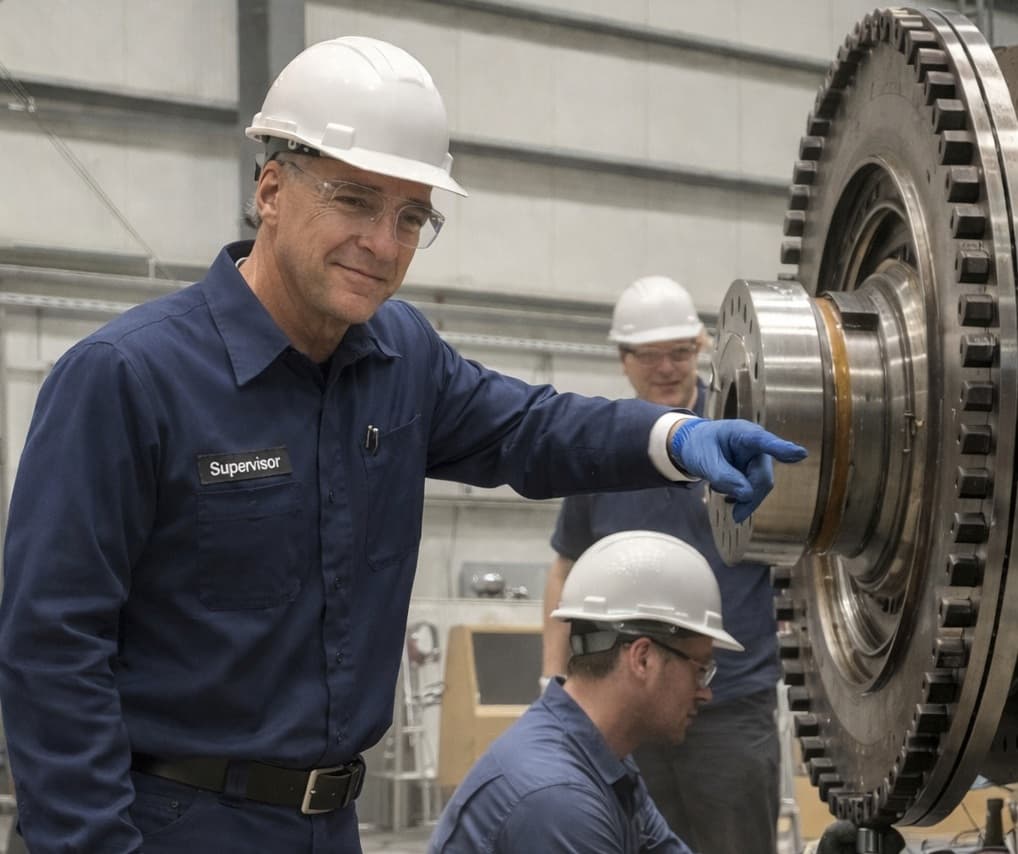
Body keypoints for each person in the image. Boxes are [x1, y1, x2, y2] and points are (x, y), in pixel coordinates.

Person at [0, 37, 805, 854]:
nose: (384, 244)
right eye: (355, 201)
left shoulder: (399, 358)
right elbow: (51, 653)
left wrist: (676, 434)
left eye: (411, 215)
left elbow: (530, 427)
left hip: (330, 825)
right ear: (271, 190)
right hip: (173, 824)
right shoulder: (126, 380)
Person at [542, 276, 784, 854]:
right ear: (623, 360)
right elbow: (565, 569)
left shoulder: (740, 441)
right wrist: (553, 682)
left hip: (727, 707)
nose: (667, 368)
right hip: (623, 709)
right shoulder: (601, 449)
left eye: (680, 352)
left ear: (702, 346)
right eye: (649, 355)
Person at [430, 530, 741, 853]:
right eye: (700, 670)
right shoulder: (557, 800)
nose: (706, 693)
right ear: (643, 659)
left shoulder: (603, 760)